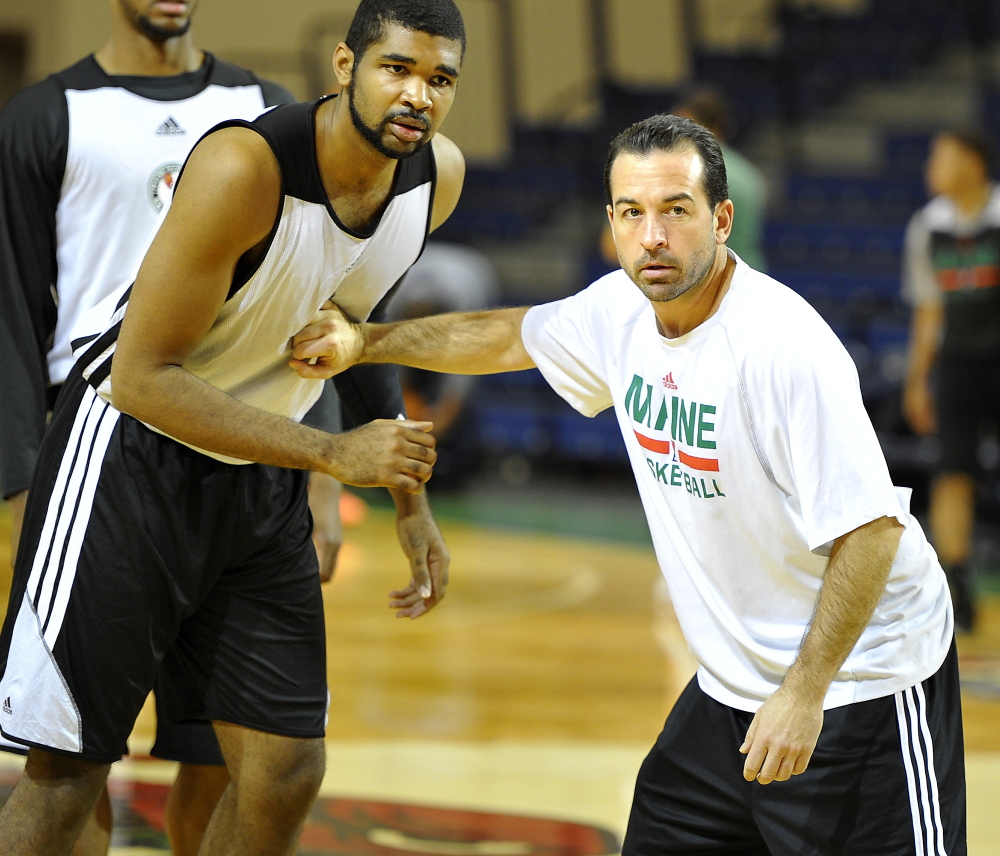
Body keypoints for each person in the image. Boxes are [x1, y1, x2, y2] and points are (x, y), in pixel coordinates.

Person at [305, 114, 965, 854]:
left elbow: (871, 532)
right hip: (729, 691)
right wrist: (365, 343)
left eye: (675, 211)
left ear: (721, 220)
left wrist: (804, 695)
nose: (652, 236)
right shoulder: (619, 311)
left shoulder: (784, 348)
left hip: (858, 686)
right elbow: (503, 335)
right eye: (632, 213)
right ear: (611, 221)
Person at [0, 0, 465, 852]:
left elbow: (363, 327)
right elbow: (140, 378)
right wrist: (330, 454)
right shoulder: (242, 168)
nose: (418, 97)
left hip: (258, 477)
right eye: (396, 69)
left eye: (440, 80)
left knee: (285, 768)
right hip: (126, 466)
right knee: (67, 775)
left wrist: (408, 498)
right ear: (343, 66)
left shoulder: (436, 176)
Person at [0, 1, 317, 852]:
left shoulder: (268, 106)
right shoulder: (43, 116)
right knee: (70, 755)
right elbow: (14, 309)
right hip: (103, 440)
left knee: (232, 756)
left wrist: (319, 481)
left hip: (244, 438)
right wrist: (24, 474)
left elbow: (326, 296)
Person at [902, 128, 999, 635]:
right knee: (952, 472)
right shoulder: (928, 226)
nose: (932, 166)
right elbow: (929, 310)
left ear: (975, 164)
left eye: (944, 157)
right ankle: (956, 586)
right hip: (958, 362)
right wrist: (918, 379)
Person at [386, 242, 499, 486]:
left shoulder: (466, 297)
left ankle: (453, 471)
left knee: (464, 379)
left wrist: (444, 417)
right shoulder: (396, 293)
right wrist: (408, 404)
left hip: (475, 278)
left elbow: (465, 368)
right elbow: (390, 349)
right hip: (419, 270)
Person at [673, 85, 768, 271]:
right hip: (750, 277)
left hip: (710, 283)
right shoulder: (748, 174)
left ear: (686, 119)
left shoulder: (684, 173)